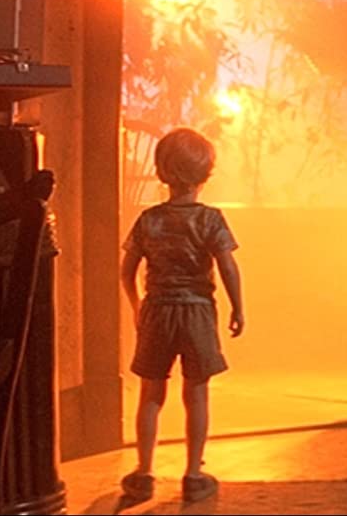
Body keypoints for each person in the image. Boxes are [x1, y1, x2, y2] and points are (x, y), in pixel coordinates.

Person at [118, 127, 245, 505]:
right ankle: (193, 474)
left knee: (151, 393)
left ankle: (143, 473)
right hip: (197, 313)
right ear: (205, 173)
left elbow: (127, 271)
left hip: (157, 312)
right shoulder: (211, 220)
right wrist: (238, 306)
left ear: (161, 171)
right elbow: (227, 266)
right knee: (197, 392)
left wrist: (137, 304)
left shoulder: (149, 220)